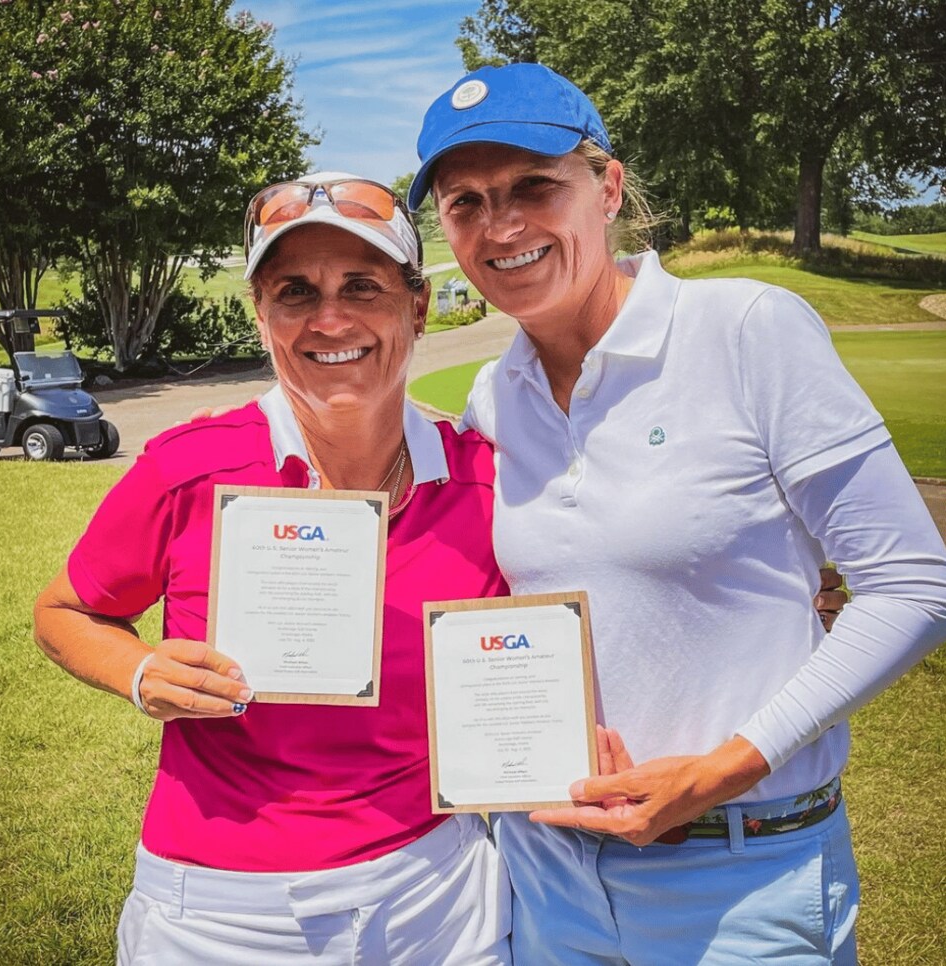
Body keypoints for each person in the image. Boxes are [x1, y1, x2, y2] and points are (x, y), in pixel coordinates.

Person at [404, 63, 946, 965]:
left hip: (743, 881)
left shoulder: (744, 330)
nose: (500, 227)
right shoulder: (495, 400)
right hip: (546, 880)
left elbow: (915, 583)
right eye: (465, 204)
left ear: (606, 186)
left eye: (534, 187)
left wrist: (721, 766)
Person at [33, 173, 512, 965]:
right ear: (262, 317)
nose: (331, 319)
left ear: (417, 307)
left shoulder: (489, 483)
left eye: (362, 285)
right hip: (219, 914)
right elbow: (64, 613)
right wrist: (142, 670)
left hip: (438, 894)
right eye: (295, 292)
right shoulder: (190, 467)